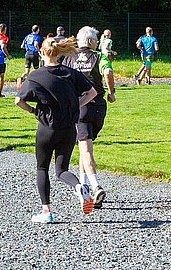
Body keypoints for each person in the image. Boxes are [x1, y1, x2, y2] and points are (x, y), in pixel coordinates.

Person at [15, 37, 98, 223]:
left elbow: (18, 100)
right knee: (62, 170)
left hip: (47, 128)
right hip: (69, 128)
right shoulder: (70, 73)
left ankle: (46, 212)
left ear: (41, 52)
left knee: (42, 168)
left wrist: (33, 111)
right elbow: (92, 92)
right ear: (59, 52)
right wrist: (77, 104)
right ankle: (79, 188)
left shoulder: (36, 75)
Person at [62, 26, 116, 209]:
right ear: (92, 42)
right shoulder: (99, 57)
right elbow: (107, 72)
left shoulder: (69, 57)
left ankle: (95, 186)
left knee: (86, 150)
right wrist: (111, 92)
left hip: (80, 106)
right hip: (99, 107)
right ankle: (84, 187)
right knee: (85, 146)